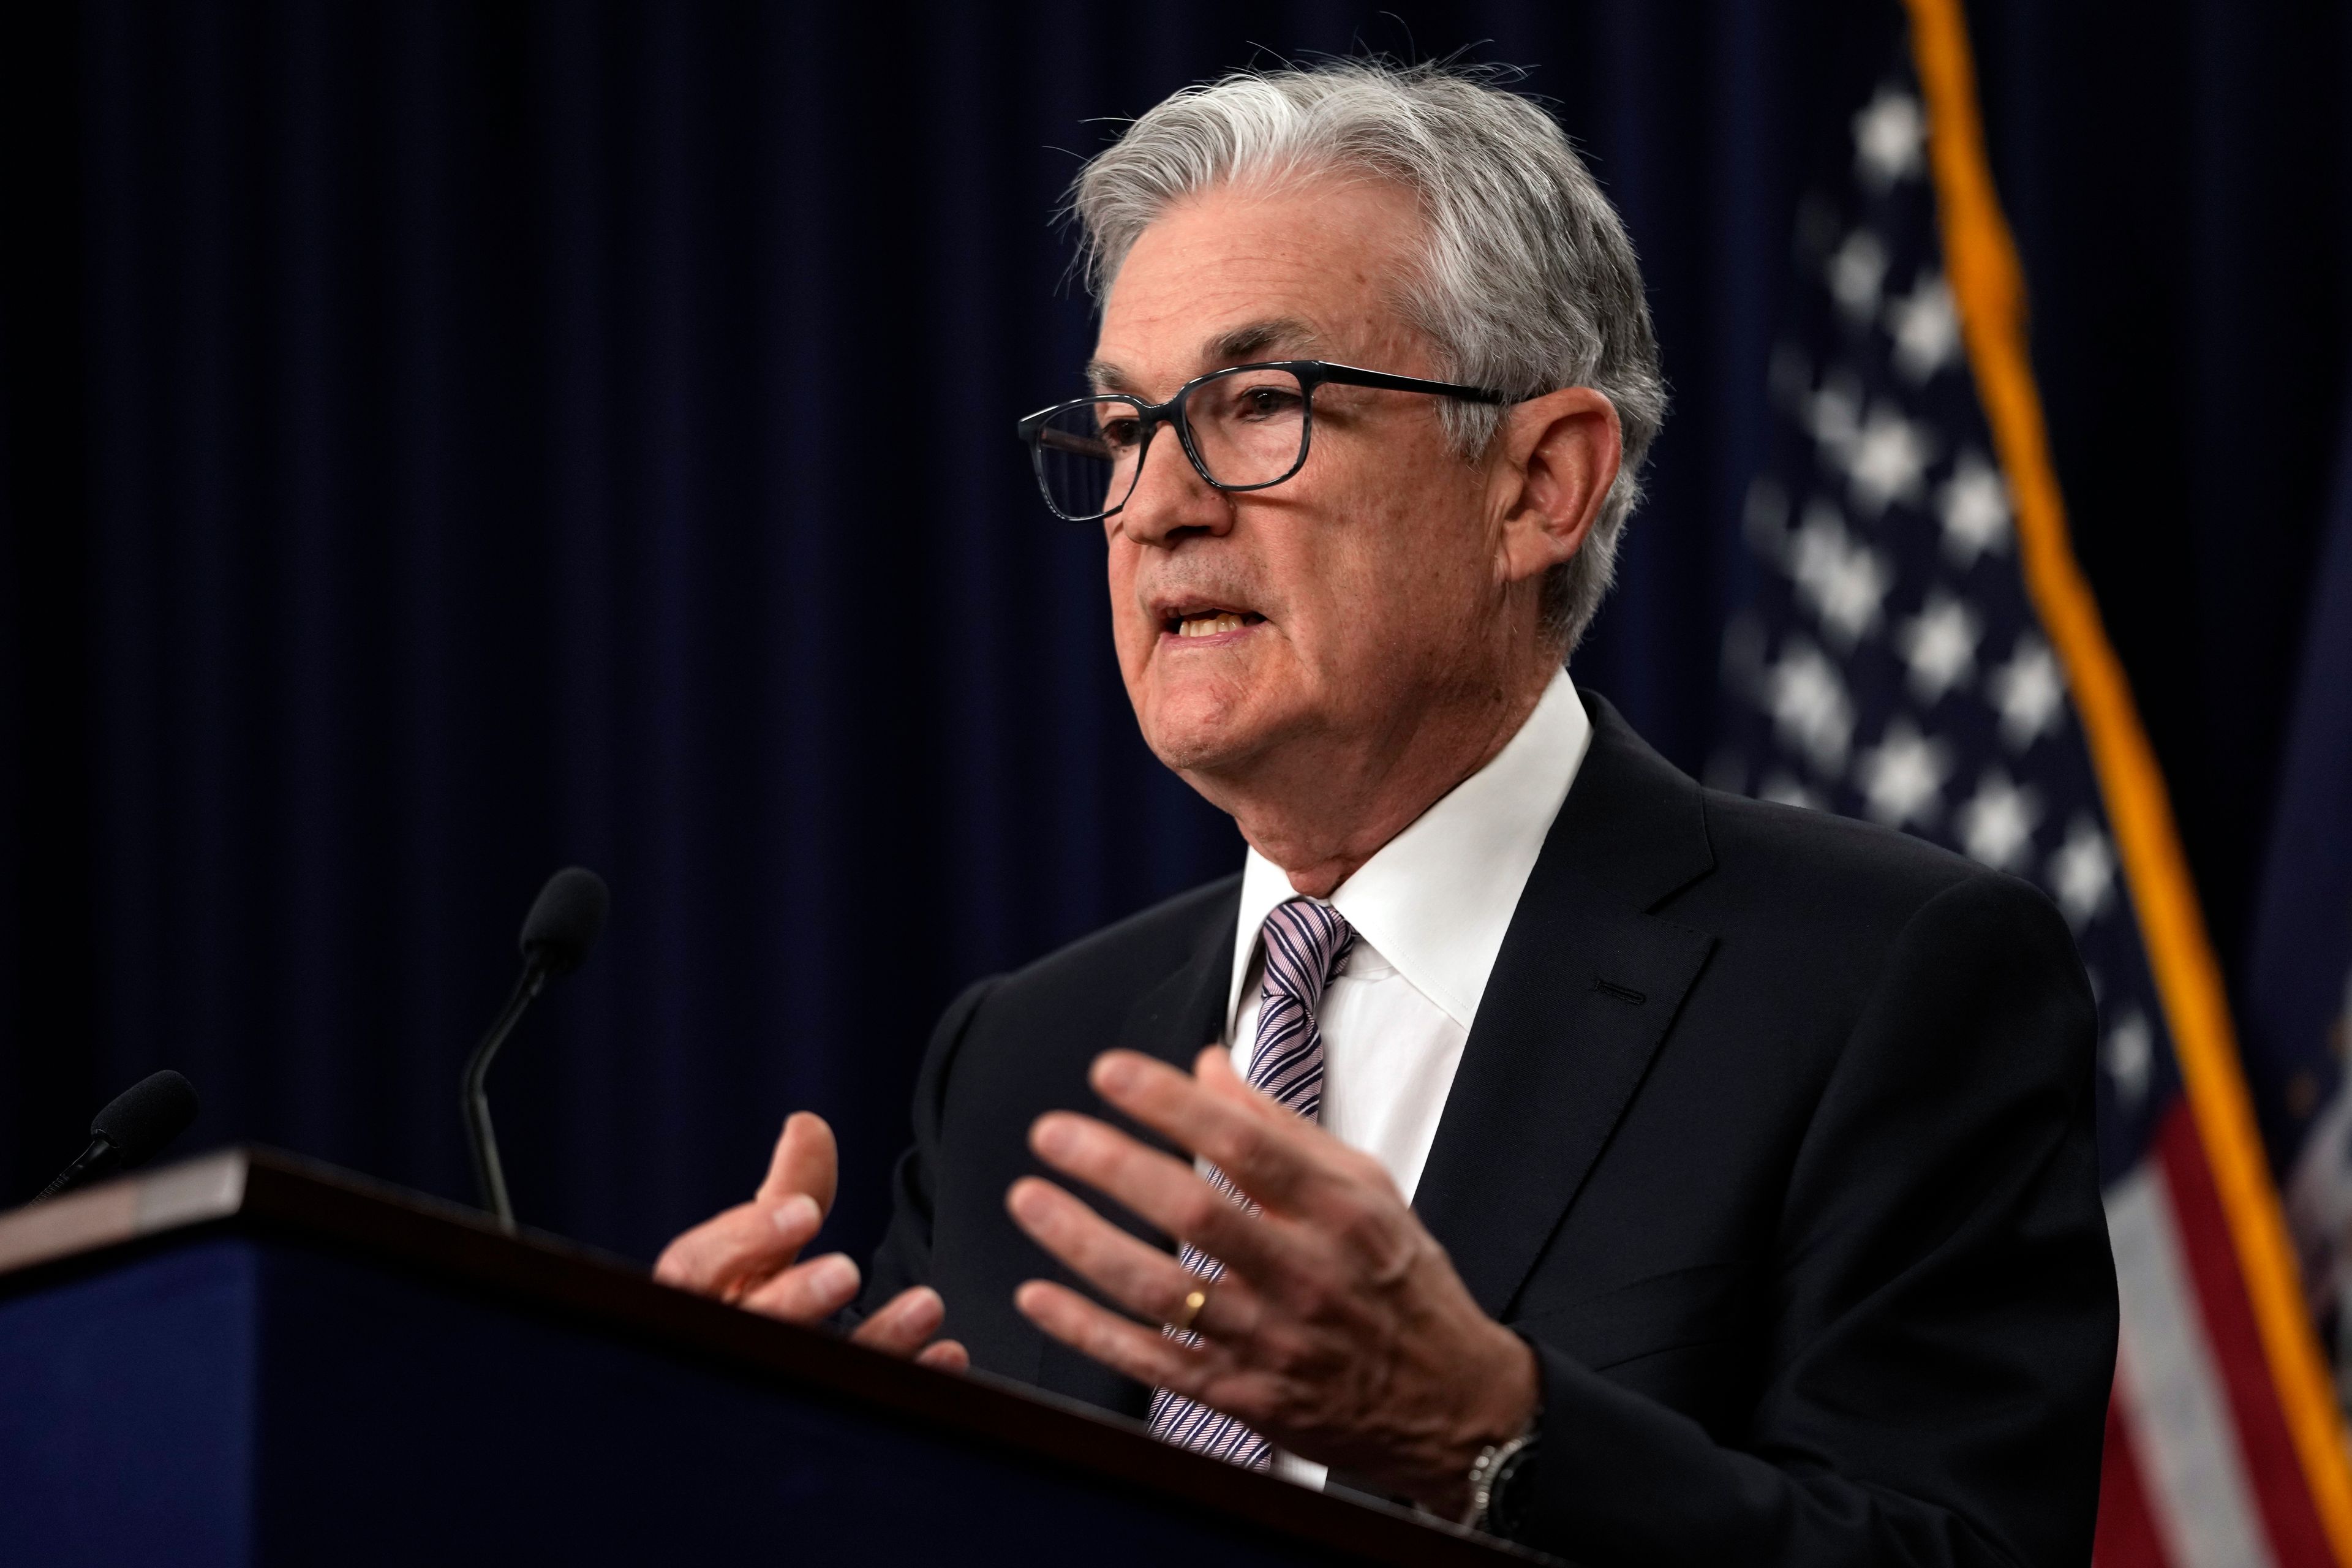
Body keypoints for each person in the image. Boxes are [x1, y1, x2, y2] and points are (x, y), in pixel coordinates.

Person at [653, 60, 2116, 1564]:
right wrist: (787, 1472)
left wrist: (1492, 1434)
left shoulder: (1879, 980)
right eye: (1123, 427)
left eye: (1261, 404)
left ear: (1541, 482)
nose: (1157, 503)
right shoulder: (1023, 1059)